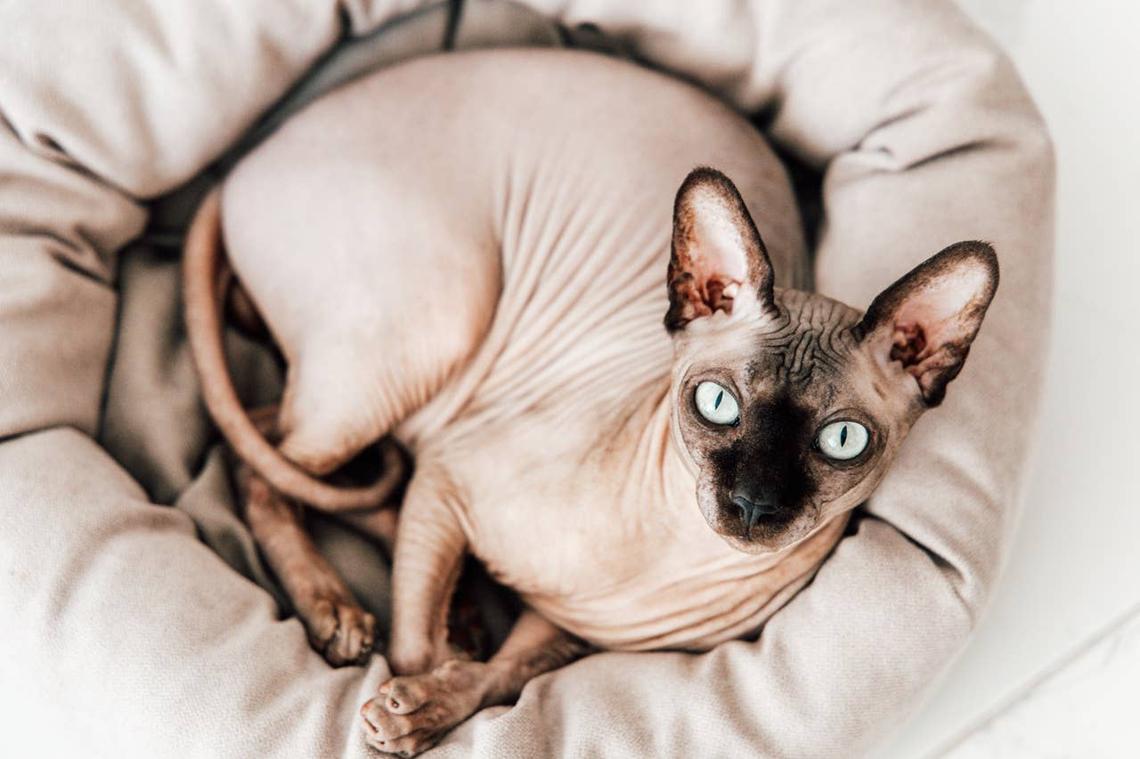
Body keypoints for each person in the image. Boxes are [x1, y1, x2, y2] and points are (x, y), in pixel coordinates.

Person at [0, 0, 1053, 755]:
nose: (756, 491)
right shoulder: (682, 393)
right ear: (699, 297)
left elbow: (596, 604)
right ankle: (279, 482)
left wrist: (490, 682)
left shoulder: (783, 447)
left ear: (923, 361)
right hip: (375, 179)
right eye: (718, 409)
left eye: (839, 441)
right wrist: (420, 659)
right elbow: (454, 477)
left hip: (489, 193)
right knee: (400, 368)